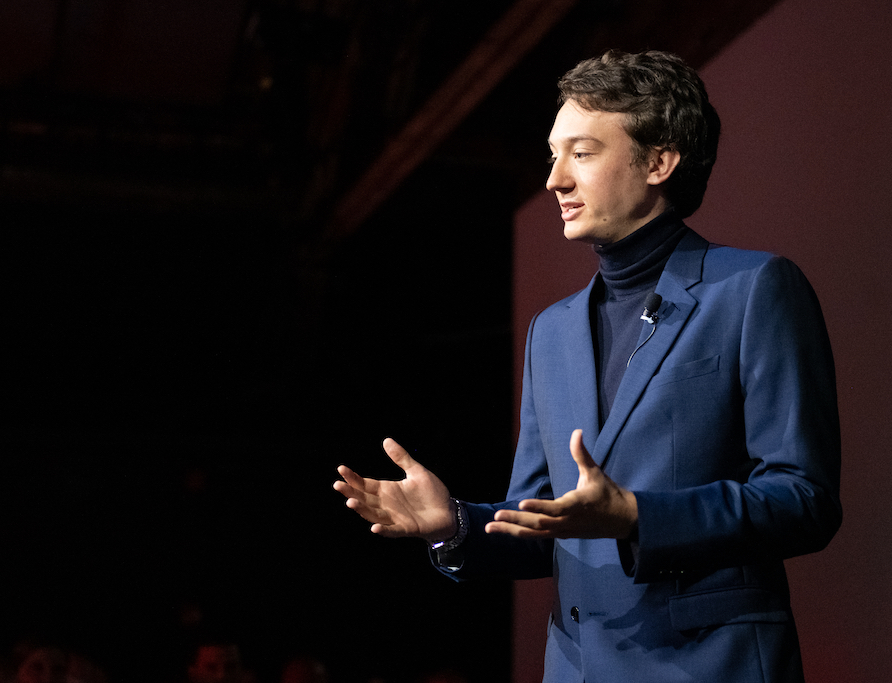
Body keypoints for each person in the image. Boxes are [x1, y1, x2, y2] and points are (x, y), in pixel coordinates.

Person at [333, 50, 841, 682]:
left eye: (582, 153)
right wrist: (454, 524)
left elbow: (803, 499)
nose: (554, 180)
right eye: (553, 155)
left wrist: (637, 517)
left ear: (658, 162)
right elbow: (543, 519)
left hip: (712, 665)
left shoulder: (753, 289)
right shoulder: (551, 331)